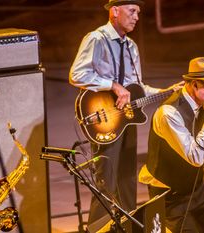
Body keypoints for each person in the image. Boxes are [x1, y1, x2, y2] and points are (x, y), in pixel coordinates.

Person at [69, 0, 183, 227]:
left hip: (126, 120)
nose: (136, 17)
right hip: (105, 118)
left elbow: (136, 87)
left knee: (127, 181)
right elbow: (77, 75)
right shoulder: (97, 39)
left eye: (138, 13)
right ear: (114, 11)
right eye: (132, 11)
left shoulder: (131, 46)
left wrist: (166, 92)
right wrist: (112, 85)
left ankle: (128, 227)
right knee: (105, 183)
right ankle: (98, 230)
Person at [139, 57, 204, 233]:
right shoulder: (169, 113)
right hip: (171, 195)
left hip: (200, 187)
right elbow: (196, 157)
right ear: (194, 85)